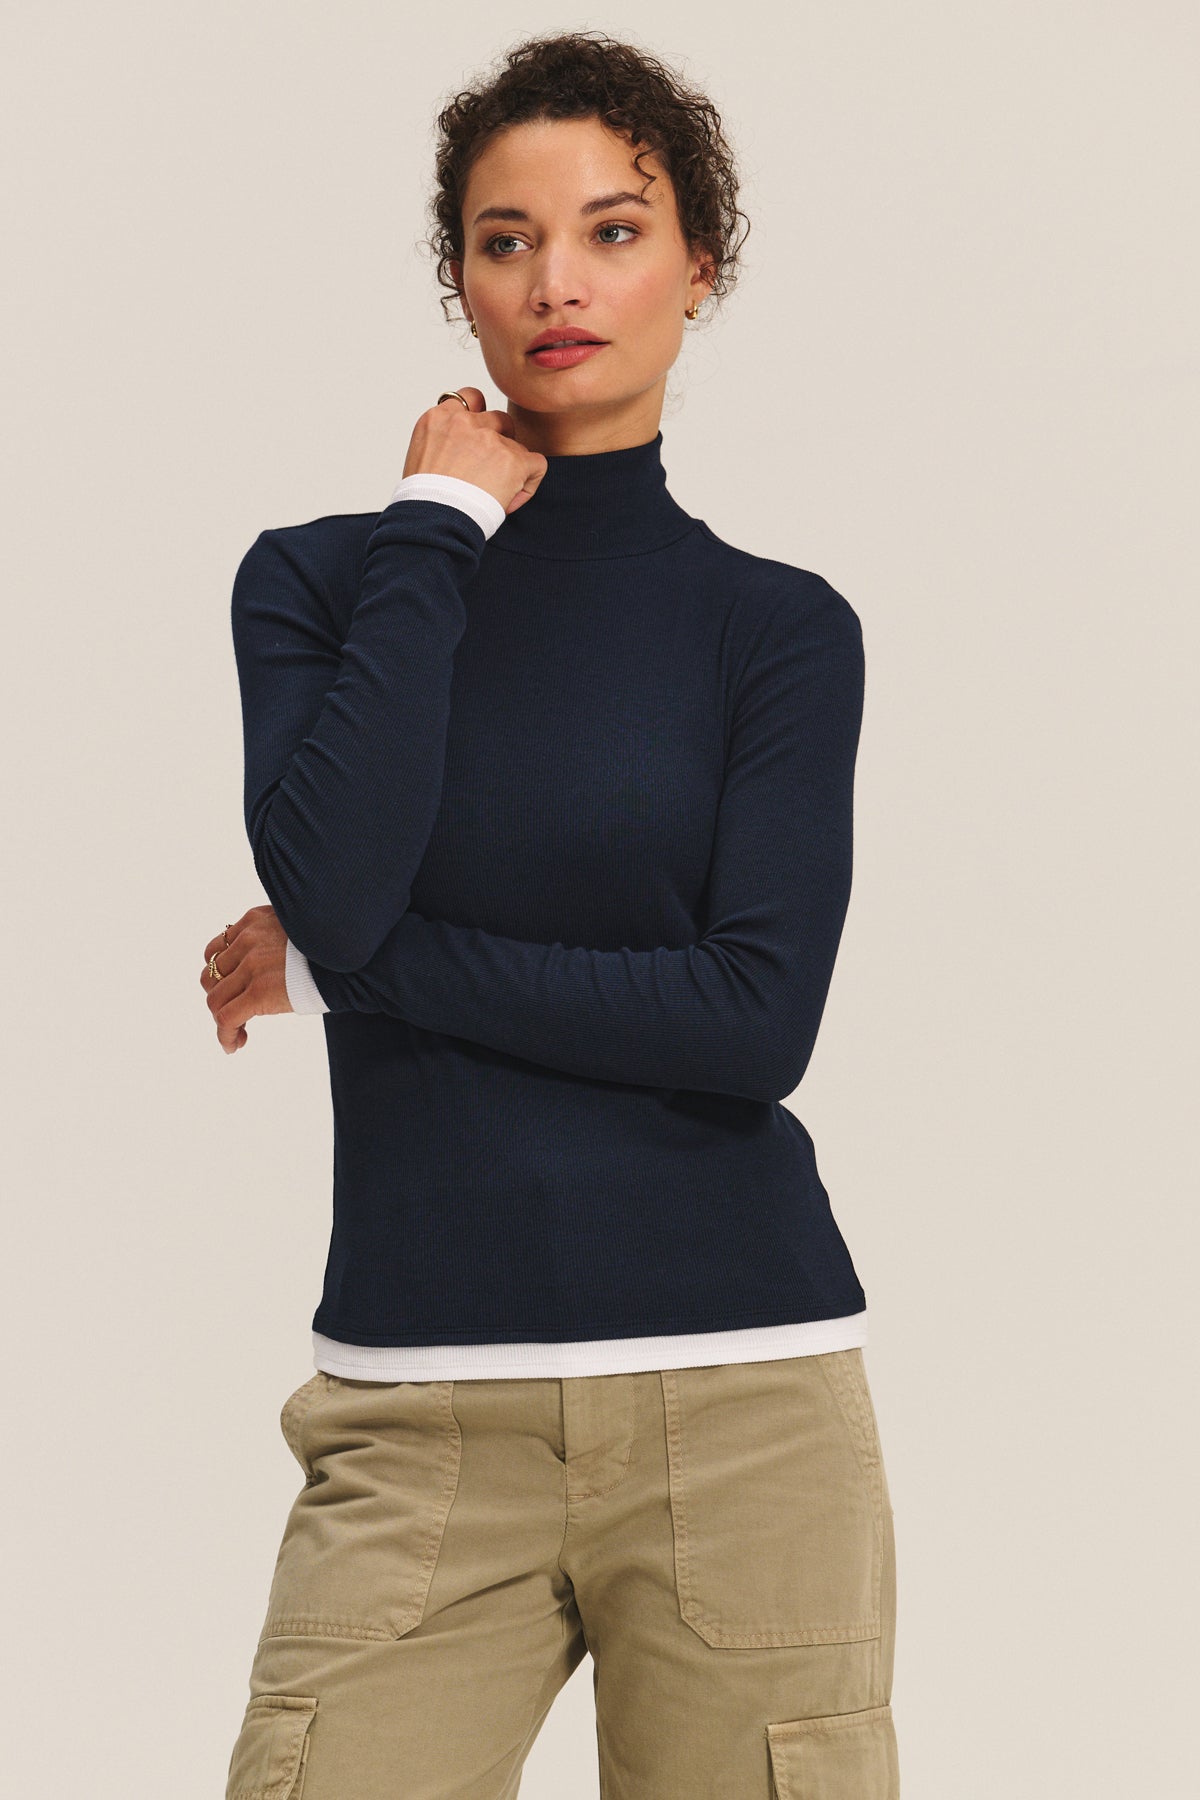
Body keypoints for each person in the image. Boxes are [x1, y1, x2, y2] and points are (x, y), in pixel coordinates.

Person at [205, 28, 899, 1800]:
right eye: (505, 241)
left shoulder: (780, 631)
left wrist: (358, 968)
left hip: (743, 1403)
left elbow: (752, 1020)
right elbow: (338, 871)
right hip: (416, 1422)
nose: (556, 282)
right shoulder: (329, 578)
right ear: (459, 278)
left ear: (697, 270)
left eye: (611, 231)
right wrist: (439, 515)